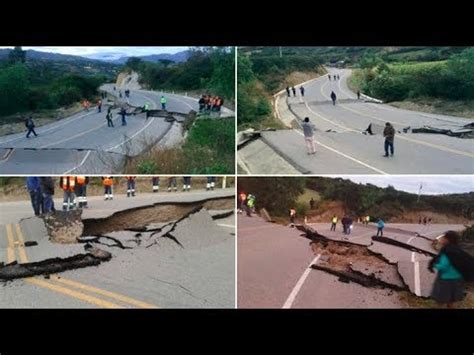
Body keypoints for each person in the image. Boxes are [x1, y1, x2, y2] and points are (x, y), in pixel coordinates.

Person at [429, 231, 470, 308]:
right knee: (451, 300)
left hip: (445, 280)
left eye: (444, 238)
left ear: (448, 240)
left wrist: (435, 265)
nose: (442, 239)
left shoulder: (447, 251)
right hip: (458, 279)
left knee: (440, 301)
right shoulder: (459, 250)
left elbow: (443, 266)